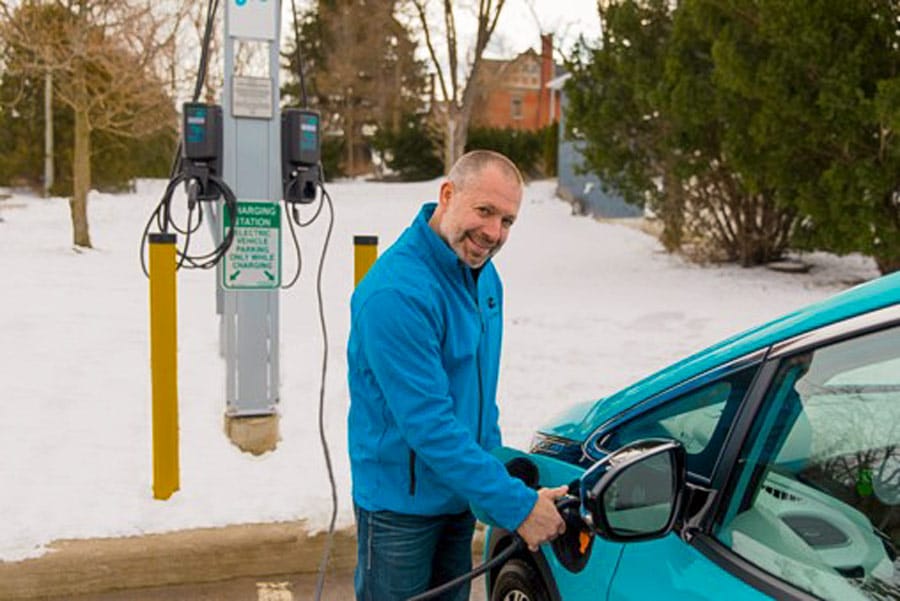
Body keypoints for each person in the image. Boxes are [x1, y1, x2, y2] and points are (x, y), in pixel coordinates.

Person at [347, 150, 567, 601]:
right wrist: (518, 506)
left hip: (459, 495)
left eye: (507, 221)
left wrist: (501, 476)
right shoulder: (397, 294)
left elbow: (479, 398)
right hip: (399, 510)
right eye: (484, 211)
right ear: (447, 195)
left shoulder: (483, 277)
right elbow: (429, 425)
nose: (493, 233)